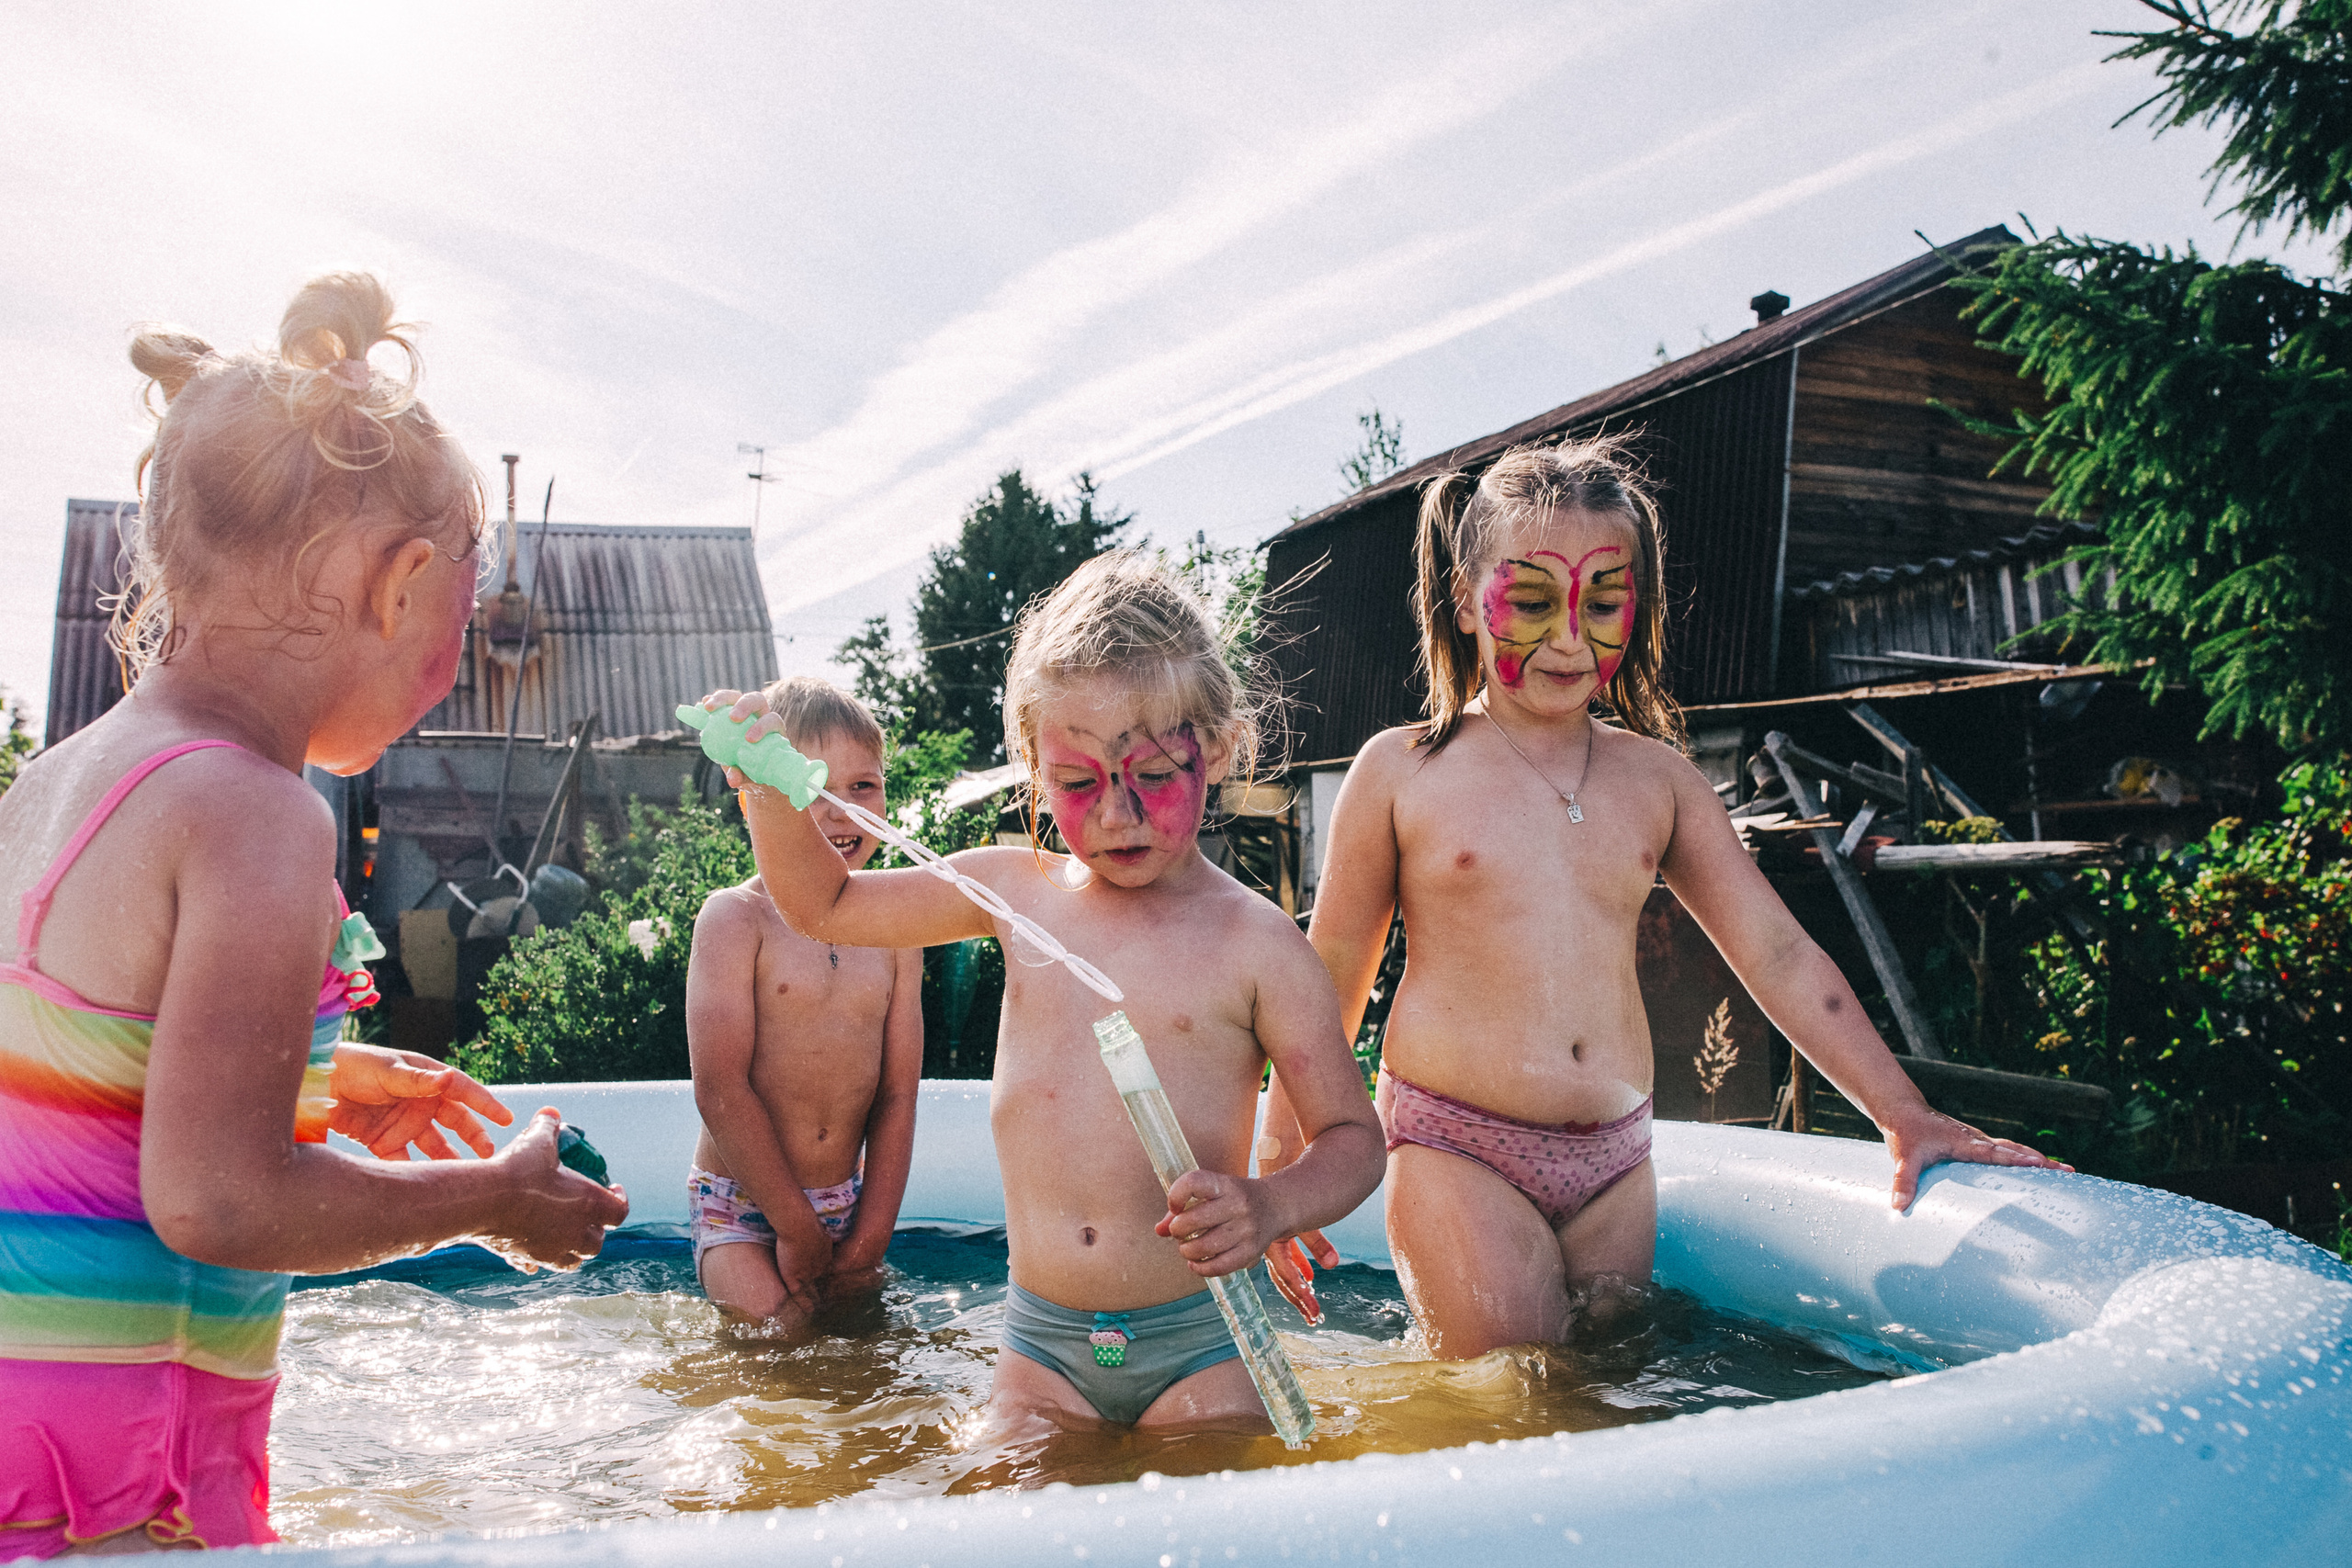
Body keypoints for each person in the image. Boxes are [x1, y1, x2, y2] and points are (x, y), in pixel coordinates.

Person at [0, 274, 628, 1557]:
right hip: (134, 1477)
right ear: (399, 586)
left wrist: (319, 1075)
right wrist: (488, 1201)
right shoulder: (259, 810)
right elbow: (220, 1198)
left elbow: (82, 1085)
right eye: (459, 621)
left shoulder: (58, 779)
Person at [1274, 438, 2068, 1361]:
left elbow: (1774, 952)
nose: (1569, 636)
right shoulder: (1404, 771)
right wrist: (1278, 1167)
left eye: (1602, 603)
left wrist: (1902, 1112)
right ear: (1462, 599)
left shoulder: (1656, 781)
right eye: (1531, 601)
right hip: (1459, 1147)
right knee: (1505, 1402)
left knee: (1615, 1394)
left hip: (1616, 1162)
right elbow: (1328, 975)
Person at [700, 551, 1382, 1435]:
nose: (1116, 813)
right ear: (1034, 766)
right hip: (1042, 1346)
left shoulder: (1259, 942)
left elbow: (1354, 1138)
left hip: (1202, 1339)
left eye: (1153, 776)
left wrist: (1269, 1204)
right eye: (1078, 782)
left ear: (1214, 745)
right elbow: (824, 905)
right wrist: (769, 793)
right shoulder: (1011, 892)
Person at [684, 677, 922, 1334]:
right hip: (743, 1203)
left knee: (872, 1351)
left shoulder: (898, 932)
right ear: (758, 799)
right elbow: (721, 1089)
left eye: (863, 786)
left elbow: (899, 1092)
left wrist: (871, 1233)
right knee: (780, 1338)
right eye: (814, 787)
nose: (842, 811)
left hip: (846, 1202)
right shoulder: (737, 919)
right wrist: (795, 1227)